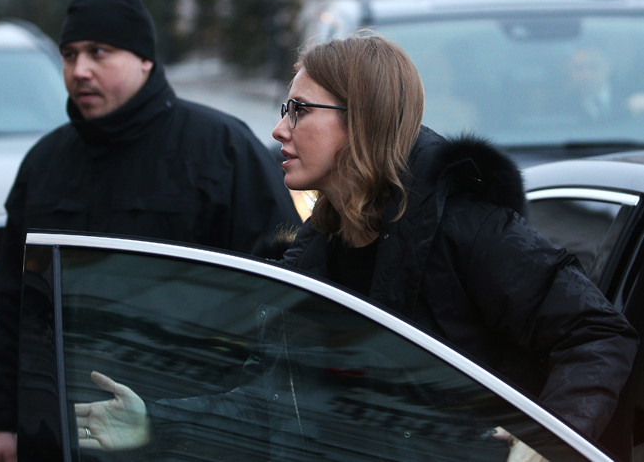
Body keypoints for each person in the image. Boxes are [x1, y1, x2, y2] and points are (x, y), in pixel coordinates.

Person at [74, 35, 638, 461]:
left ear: (362, 120)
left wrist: (550, 438)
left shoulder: (467, 226)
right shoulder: (315, 251)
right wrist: (158, 421)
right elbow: (277, 402)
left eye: (299, 110)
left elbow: (598, 334)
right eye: (284, 110)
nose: (279, 130)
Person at [0, 0, 301, 461]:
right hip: (65, 428)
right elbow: (15, 303)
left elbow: (284, 296)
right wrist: (4, 422)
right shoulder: (45, 163)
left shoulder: (221, 150)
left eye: (99, 52)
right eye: (69, 55)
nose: (79, 69)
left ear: (146, 60)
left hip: (187, 429)